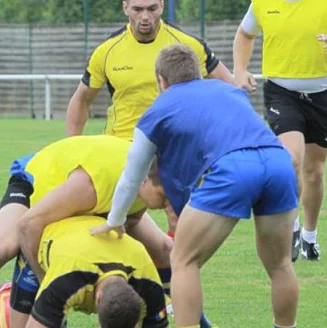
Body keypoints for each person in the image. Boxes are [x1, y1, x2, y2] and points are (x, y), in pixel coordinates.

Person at [98, 44, 299, 328]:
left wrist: (115, 220)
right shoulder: (230, 90)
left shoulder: (158, 110)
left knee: (183, 260)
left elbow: (133, 175)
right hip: (278, 162)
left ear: (161, 80)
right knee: (280, 264)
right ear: (199, 73)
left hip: (233, 168)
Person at [0, 135, 176, 328]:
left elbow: (130, 220)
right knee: (3, 248)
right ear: (143, 182)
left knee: (163, 247)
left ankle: (196, 320)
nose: (168, 206)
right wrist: (46, 281)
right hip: (39, 179)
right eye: (164, 197)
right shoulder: (90, 187)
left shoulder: (146, 179)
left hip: (91, 192)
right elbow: (29, 225)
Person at [65, 0, 237, 237]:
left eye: (151, 8)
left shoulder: (186, 45)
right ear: (125, 7)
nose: (145, 16)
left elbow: (229, 87)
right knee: (113, 218)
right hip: (121, 145)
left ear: (162, 6)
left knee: (177, 215)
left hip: (173, 145)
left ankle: (178, 269)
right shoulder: (107, 51)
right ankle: (123, 268)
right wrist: (71, 147)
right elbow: (82, 100)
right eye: (138, 9)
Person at [232, 0, 327, 261]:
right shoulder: (262, 3)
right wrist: (239, 70)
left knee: (314, 172)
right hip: (281, 93)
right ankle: (290, 226)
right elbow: (244, 34)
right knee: (290, 158)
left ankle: (309, 237)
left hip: (320, 96)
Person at [22, 215, 170, 328]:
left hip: (92, 233)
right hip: (42, 241)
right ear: (97, 297)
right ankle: (4, 298)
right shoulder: (68, 278)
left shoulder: (147, 280)